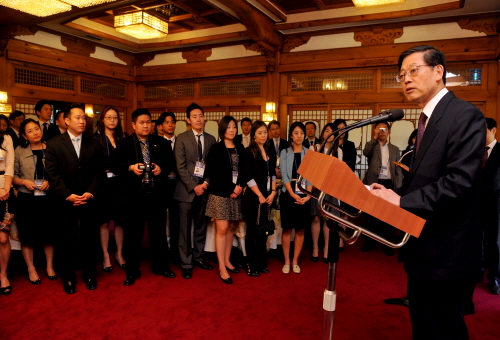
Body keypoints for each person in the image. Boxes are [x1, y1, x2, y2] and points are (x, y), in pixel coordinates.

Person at [370, 45, 485, 340]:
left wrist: (403, 200)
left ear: (438, 71)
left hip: (447, 250)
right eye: (401, 74)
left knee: (444, 328)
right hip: (422, 246)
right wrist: (393, 192)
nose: (406, 79)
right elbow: (424, 179)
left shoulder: (464, 115)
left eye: (413, 70)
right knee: (423, 326)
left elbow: (460, 182)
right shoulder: (425, 119)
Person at [45, 103, 103, 294]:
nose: (82, 121)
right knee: (66, 239)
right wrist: (67, 195)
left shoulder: (94, 143)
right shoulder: (54, 143)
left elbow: (99, 173)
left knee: (90, 238)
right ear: (67, 120)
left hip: (88, 198)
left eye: (83, 118)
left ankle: (89, 274)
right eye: (77, 117)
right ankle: (68, 277)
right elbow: (52, 175)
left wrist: (90, 192)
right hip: (65, 199)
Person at [114, 108, 176, 286]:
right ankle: (132, 270)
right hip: (134, 196)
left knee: (158, 233)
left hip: (156, 194)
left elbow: (170, 162)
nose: (146, 125)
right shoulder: (124, 143)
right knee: (133, 234)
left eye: (148, 122)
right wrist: (130, 168)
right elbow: (114, 165)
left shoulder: (160, 142)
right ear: (133, 124)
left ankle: (161, 266)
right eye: (142, 122)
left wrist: (160, 169)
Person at [174, 103, 216, 279]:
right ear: (188, 120)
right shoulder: (181, 138)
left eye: (201, 115)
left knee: (200, 227)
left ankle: (199, 257)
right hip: (186, 192)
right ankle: (186, 263)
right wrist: (194, 186)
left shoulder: (212, 139)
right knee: (184, 229)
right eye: (195, 116)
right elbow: (180, 167)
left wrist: (205, 184)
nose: (199, 119)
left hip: (205, 190)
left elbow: (213, 166)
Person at [13, 119, 57, 284]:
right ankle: (31, 268)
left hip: (49, 197)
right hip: (26, 198)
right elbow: (13, 177)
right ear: (24, 135)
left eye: (37, 128)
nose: (35, 132)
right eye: (30, 131)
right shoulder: (19, 151)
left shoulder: (52, 148)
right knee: (27, 235)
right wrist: (24, 182)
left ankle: (50, 266)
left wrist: (51, 182)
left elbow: (60, 172)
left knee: (49, 234)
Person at [204, 116, 244, 284]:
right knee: (221, 229)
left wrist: (240, 186)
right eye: (228, 127)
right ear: (222, 130)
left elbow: (245, 169)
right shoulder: (216, 148)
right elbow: (213, 173)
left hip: (236, 193)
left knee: (230, 228)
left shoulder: (240, 148)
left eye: (234, 127)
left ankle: (227, 260)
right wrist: (231, 189)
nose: (232, 130)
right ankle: (221, 266)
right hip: (220, 194)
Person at [361, 121, 403, 256]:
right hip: (374, 182)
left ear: (389, 131)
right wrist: (374, 137)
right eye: (379, 128)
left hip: (389, 183)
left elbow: (397, 169)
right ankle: (369, 242)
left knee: (388, 216)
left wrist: (399, 187)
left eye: (384, 129)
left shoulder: (395, 149)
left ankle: (387, 244)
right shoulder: (372, 146)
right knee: (370, 214)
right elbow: (365, 152)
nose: (382, 131)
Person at [241, 120, 277, 276]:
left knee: (264, 231)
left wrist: (273, 192)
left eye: (265, 132)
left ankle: (262, 262)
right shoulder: (248, 152)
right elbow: (248, 178)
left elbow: (274, 174)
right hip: (254, 197)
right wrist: (261, 196)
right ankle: (251, 264)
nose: (263, 135)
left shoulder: (270, 151)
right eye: (259, 133)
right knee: (252, 231)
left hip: (268, 196)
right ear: (254, 135)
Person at [94, 106, 126, 273]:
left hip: (121, 185)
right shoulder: (96, 139)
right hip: (103, 186)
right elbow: (96, 164)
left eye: (115, 117)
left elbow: (126, 162)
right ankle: (106, 254)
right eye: (109, 117)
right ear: (103, 120)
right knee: (104, 222)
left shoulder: (123, 138)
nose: (112, 120)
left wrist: (115, 167)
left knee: (120, 221)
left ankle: (119, 253)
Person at [280, 122, 312, 274]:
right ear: (291, 135)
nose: (299, 136)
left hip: (304, 192)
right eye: (296, 133)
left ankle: (295, 261)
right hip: (288, 193)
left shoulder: (309, 153)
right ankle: (286, 260)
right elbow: (285, 175)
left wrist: (308, 195)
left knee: (300, 230)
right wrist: (292, 193)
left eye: (301, 133)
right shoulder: (285, 152)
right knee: (287, 229)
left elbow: (311, 176)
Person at [482, 118, 500, 295]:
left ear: (493, 130)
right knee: (476, 241)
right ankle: (477, 272)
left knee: (494, 241)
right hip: (475, 205)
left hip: (496, 205)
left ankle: (494, 276)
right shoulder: (473, 152)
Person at [160, 112, 180, 265]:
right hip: (161, 185)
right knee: (160, 219)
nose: (170, 125)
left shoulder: (181, 141)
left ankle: (175, 252)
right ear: (161, 125)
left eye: (172, 122)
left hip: (178, 185)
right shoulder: (157, 143)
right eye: (167, 122)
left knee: (176, 220)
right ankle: (162, 251)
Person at [0, 127, 14, 295]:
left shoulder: (6, 138)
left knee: (3, 238)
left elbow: (10, 165)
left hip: (5, 191)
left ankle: (3, 274)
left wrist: (5, 188)